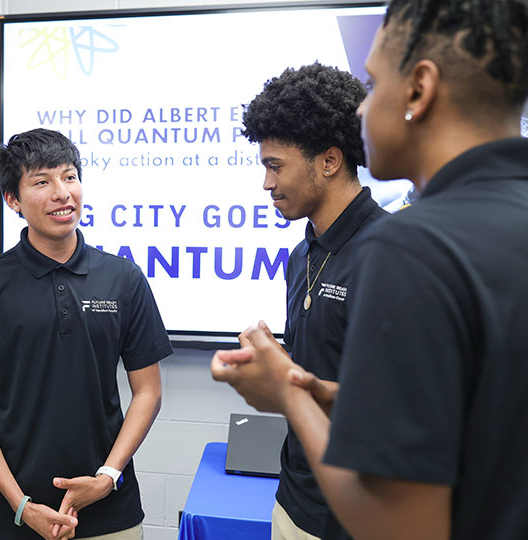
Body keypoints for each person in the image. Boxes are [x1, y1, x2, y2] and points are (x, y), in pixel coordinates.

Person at [211, 1, 528, 539]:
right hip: (298, 498)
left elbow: (398, 522)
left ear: (419, 89)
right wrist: (307, 381)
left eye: (374, 84)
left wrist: (287, 393)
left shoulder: (409, 245)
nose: (360, 112)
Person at [0, 128, 172, 540]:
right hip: (14, 512)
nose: (63, 193)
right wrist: (21, 504)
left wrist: (107, 476)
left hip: (110, 507)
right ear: (13, 199)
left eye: (70, 176)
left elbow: (148, 391)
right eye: (42, 182)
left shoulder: (123, 278)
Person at [240, 62, 387, 540]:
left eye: (275, 166)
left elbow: (399, 408)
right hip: (293, 501)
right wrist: (281, 365)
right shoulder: (302, 255)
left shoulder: (392, 254)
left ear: (328, 161)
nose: (267, 183)